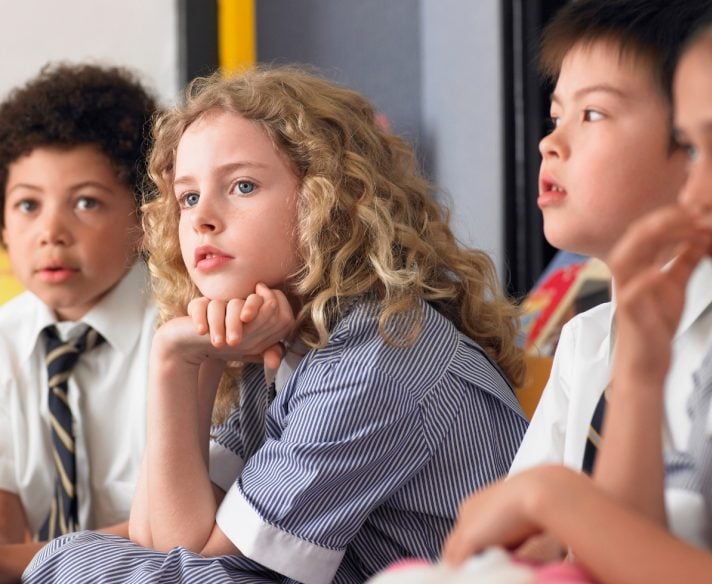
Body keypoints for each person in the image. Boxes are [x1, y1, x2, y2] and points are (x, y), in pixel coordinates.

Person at [21, 66, 528, 584]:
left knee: (78, 561)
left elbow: (198, 564)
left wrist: (174, 361)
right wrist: (185, 358)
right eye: (188, 197)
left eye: (242, 185)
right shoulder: (282, 343)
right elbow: (163, 536)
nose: (202, 219)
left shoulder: (380, 353)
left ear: (331, 201)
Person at [443, 13, 712, 583]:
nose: (550, 141)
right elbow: (521, 537)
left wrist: (556, 503)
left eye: (593, 113)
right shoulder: (589, 338)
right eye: (556, 115)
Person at [0, 62, 159, 549]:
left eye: (86, 202)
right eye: (28, 205)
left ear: (146, 217)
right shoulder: (4, 339)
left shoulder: (189, 329)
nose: (51, 232)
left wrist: (25, 561)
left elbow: (193, 530)